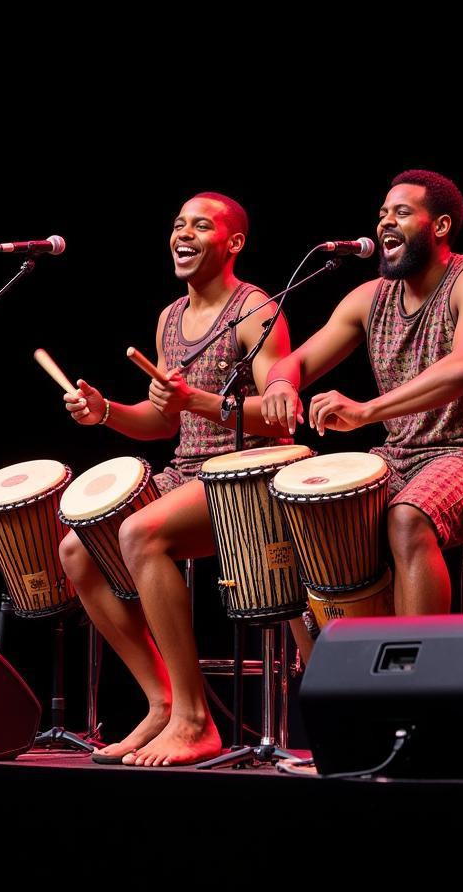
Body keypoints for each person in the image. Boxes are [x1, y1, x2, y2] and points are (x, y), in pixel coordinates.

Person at [59, 192, 292, 766]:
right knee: (76, 548)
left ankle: (196, 720)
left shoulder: (254, 310)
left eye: (201, 226)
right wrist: (106, 410)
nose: (183, 235)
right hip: (189, 471)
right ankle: (162, 703)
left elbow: (279, 411)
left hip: (247, 473)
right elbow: (165, 421)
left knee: (138, 532)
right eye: (177, 224)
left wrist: (203, 400)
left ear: (233, 243)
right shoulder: (169, 318)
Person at [260, 169, 463, 619]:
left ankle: (415, 677)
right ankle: (351, 675)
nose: (385, 222)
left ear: (439, 226)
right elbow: (296, 362)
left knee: (407, 516)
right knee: (306, 519)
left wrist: (366, 411)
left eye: (402, 213)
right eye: (382, 213)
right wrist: (281, 383)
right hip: (400, 459)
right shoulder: (369, 298)